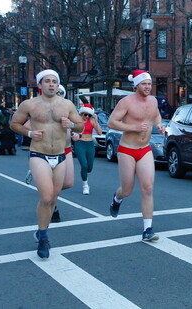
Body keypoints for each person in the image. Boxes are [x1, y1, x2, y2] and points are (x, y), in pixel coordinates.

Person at [10, 69, 84, 258]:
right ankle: (43, 238)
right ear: (40, 85)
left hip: (59, 156)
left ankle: (42, 230)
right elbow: (14, 123)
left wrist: (72, 125)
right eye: (47, 81)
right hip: (39, 154)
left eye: (54, 81)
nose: (51, 84)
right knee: (46, 197)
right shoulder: (29, 104)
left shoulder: (67, 104)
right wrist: (29, 134)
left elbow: (80, 125)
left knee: (52, 199)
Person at [108, 69, 165, 242]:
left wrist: (160, 125)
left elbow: (156, 115)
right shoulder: (126, 102)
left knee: (148, 188)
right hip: (127, 149)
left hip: (145, 149)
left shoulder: (153, 101)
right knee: (127, 189)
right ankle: (117, 199)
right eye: (144, 84)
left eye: (149, 84)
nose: (148, 87)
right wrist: (133, 128)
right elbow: (112, 122)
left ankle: (147, 229)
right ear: (136, 85)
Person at [24, 85, 75, 222]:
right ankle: (52, 201)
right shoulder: (43, 109)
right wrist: (33, 133)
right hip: (45, 150)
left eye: (61, 93)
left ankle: (50, 192)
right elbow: (26, 126)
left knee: (69, 183)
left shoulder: (67, 107)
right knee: (48, 192)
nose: (59, 95)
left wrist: (74, 130)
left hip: (66, 149)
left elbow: (78, 125)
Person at [73, 103, 102, 195]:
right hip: (80, 144)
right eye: (85, 114)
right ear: (82, 113)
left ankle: (85, 175)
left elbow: (100, 133)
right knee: (84, 165)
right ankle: (85, 185)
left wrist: (96, 121)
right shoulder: (78, 121)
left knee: (89, 168)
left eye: (89, 115)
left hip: (89, 144)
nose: (87, 117)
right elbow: (73, 132)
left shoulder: (92, 121)